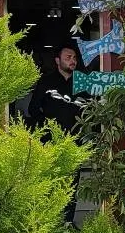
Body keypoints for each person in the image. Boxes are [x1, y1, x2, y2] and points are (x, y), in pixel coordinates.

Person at [27, 45, 85, 222]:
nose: (72, 60)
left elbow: (92, 108)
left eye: (74, 57)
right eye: (68, 57)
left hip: (75, 140)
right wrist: (46, 129)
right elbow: (33, 109)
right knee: (50, 180)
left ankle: (68, 221)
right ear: (57, 61)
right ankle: (49, 222)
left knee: (71, 183)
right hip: (50, 141)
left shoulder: (82, 82)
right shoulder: (46, 82)